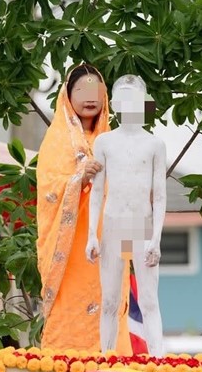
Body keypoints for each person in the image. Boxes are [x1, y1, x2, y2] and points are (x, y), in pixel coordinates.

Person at [36, 64, 133, 354]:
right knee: (71, 314)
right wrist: (81, 177)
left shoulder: (118, 141)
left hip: (111, 243)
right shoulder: (56, 142)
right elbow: (49, 187)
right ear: (67, 95)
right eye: (81, 90)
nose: (89, 97)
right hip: (72, 251)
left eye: (96, 91)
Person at [86, 75, 168, 356]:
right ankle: (106, 358)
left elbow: (159, 196)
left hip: (141, 224)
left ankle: (159, 359)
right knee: (109, 300)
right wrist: (91, 235)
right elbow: (97, 192)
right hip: (112, 223)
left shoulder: (154, 144)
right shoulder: (105, 142)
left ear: (144, 103)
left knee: (149, 300)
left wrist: (155, 238)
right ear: (116, 104)